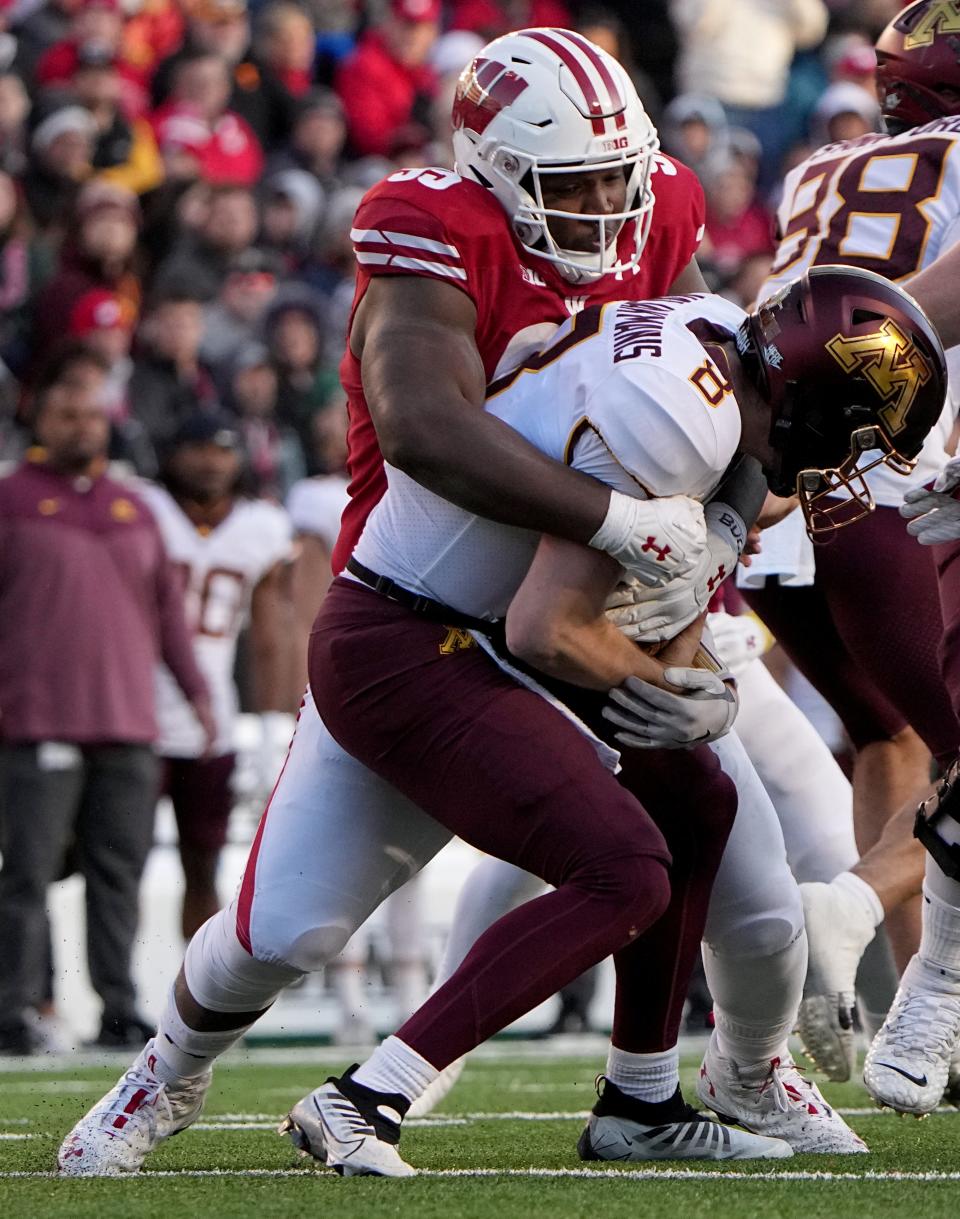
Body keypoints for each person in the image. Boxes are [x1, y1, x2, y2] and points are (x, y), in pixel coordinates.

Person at [53, 28, 833, 1172]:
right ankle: (166, 1070)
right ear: (497, 172)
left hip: (578, 603)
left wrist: (706, 543)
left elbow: (719, 389)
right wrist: (616, 522)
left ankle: (670, 1091)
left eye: (621, 178)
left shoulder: (659, 203)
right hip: (426, 608)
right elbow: (426, 428)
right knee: (288, 930)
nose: (611, 210)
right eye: (575, 187)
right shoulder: (430, 225)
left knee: (717, 829)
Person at [735, 0, 960, 1082]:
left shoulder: (817, 170)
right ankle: (854, 907)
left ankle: (931, 1022)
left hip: (787, 499)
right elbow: (918, 317)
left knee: (893, 742)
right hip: (895, 481)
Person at [0, 362, 214, 1054]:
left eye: (92, 416)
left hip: (128, 722)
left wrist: (198, 692)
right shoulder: (11, 498)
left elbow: (167, 614)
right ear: (39, 421)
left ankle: (118, 1006)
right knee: (27, 873)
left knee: (116, 873)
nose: (82, 427)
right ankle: (13, 1008)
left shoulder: (134, 506)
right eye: (67, 415)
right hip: (36, 720)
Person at [140, 414, 295, 940]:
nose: (210, 461)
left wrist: (273, 723)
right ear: (171, 454)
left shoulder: (262, 526)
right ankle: (116, 998)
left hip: (213, 726)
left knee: (204, 868)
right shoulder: (142, 511)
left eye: (223, 450)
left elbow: (270, 638)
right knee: (118, 868)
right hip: (132, 720)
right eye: (197, 448)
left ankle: (191, 1005)